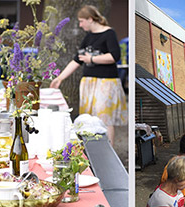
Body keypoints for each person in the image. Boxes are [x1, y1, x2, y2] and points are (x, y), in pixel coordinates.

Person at [50, 5, 127, 145]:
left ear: (90, 19)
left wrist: (92, 59)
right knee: (88, 119)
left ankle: (108, 153)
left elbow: (115, 56)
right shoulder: (88, 37)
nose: (80, 25)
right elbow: (77, 60)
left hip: (106, 83)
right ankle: (92, 152)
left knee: (105, 120)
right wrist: (60, 78)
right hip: (88, 83)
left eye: (81, 21)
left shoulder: (109, 33)